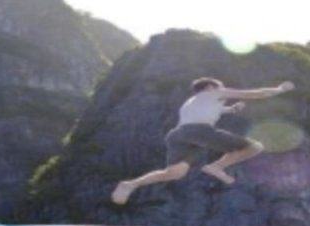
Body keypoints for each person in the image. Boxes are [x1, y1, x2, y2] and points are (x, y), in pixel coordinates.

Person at [111, 78, 296, 204]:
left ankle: (130, 184)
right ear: (211, 87)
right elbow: (255, 93)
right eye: (220, 87)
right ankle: (216, 167)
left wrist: (232, 109)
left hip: (178, 135)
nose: (222, 90)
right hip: (199, 131)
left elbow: (218, 111)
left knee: (173, 173)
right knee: (255, 147)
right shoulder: (213, 93)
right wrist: (279, 89)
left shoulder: (192, 101)